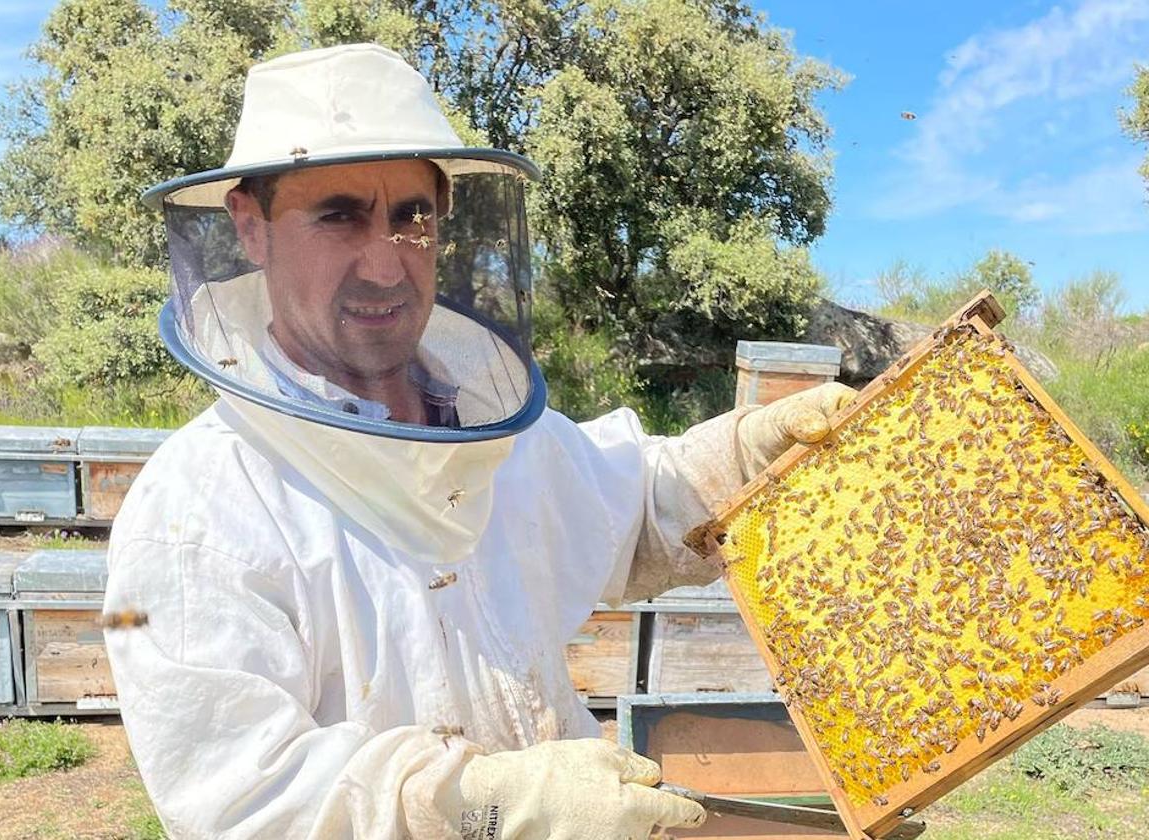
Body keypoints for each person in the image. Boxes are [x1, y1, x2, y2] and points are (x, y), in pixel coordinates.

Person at [103, 43, 855, 840]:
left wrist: (748, 455)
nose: (387, 266)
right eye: (339, 215)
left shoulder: (494, 436)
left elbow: (631, 505)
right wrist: (478, 806)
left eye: (411, 217)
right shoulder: (196, 513)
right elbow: (242, 802)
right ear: (250, 230)